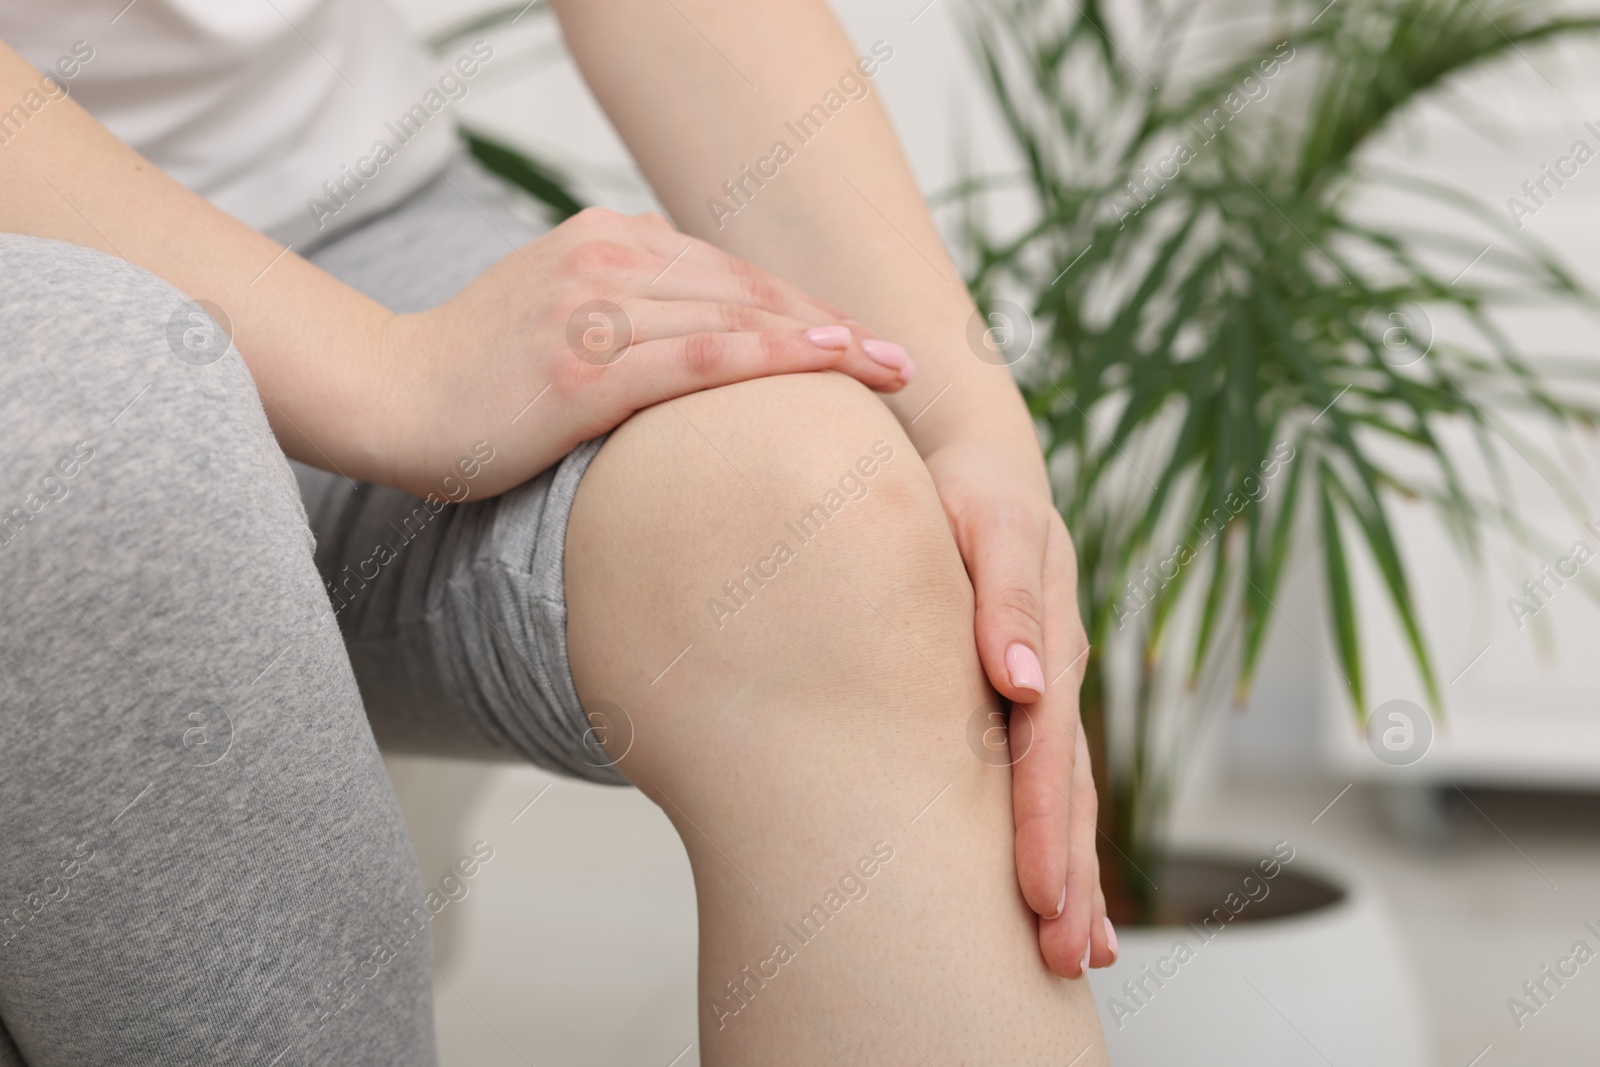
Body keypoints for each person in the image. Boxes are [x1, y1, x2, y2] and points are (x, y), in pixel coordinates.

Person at [0, 1, 1112, 1063]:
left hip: (351, 217)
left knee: (829, 511)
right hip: (64, 319)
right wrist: (390, 371)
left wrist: (966, 422)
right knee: (120, 448)